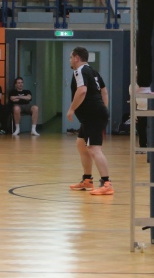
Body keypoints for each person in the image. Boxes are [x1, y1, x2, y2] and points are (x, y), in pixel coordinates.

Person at [67, 47, 113, 196]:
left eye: (71, 57)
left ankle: (106, 183)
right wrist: (103, 109)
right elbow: (104, 91)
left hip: (92, 115)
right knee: (81, 145)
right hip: (92, 115)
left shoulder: (80, 71)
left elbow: (82, 91)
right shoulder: (93, 72)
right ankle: (87, 180)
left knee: (93, 148)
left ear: (76, 58)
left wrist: (71, 109)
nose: (70, 60)